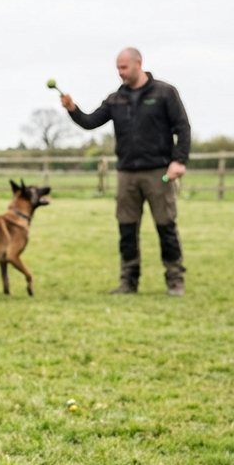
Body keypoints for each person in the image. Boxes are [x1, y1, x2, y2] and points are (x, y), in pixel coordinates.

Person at [61, 47, 192, 295]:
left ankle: (175, 279)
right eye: (118, 68)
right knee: (126, 229)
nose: (120, 73)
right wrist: (73, 110)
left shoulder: (164, 92)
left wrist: (179, 160)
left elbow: (182, 128)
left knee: (166, 226)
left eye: (124, 67)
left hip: (158, 172)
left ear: (138, 64)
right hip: (126, 174)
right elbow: (90, 122)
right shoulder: (116, 99)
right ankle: (128, 281)